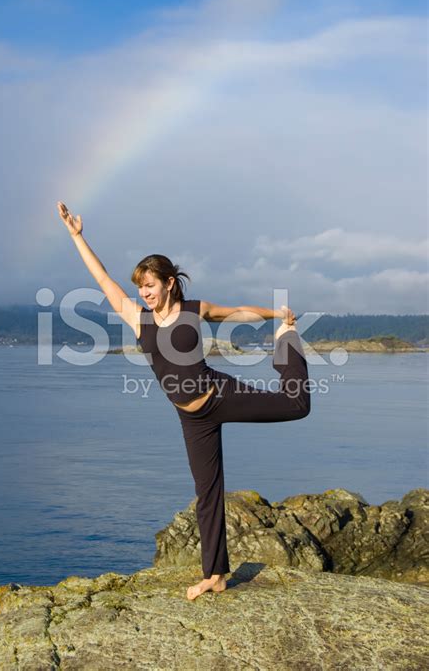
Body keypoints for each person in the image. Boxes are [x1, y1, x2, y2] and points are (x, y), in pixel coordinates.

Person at [57, 201, 311, 601]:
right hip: (192, 419)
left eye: (150, 285)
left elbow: (237, 313)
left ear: (169, 282)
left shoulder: (195, 310)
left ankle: (288, 346)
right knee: (207, 492)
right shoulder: (138, 319)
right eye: (140, 286)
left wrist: (277, 319)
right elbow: (103, 280)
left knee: (297, 404)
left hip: (221, 396)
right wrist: (77, 236)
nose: (144, 293)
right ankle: (216, 575)